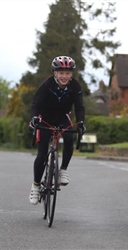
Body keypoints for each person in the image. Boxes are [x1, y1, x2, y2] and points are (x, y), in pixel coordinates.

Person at [28, 55, 85, 205]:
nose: (64, 76)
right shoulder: (47, 85)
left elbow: (79, 107)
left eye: (67, 73)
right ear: (55, 73)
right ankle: (36, 185)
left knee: (68, 138)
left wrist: (80, 122)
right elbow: (35, 104)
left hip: (62, 117)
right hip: (45, 118)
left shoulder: (75, 86)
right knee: (41, 155)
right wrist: (34, 119)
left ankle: (63, 169)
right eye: (61, 73)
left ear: (71, 74)